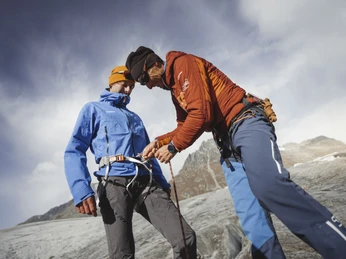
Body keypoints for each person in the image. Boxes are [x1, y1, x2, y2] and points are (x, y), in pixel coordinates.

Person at [125, 46, 346, 259]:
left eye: (144, 80)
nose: (148, 86)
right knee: (252, 218)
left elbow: (201, 114)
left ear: (154, 64)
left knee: (270, 185)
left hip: (245, 122)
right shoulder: (175, 91)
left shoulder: (184, 64)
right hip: (227, 145)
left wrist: (173, 147)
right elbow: (184, 124)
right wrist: (159, 142)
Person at [64, 66, 197, 259]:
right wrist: (80, 189)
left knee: (186, 238)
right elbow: (74, 149)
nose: (128, 90)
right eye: (124, 85)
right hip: (113, 183)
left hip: (146, 182)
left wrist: (161, 182)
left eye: (131, 87)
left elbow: (148, 153)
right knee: (122, 254)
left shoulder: (135, 118)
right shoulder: (93, 109)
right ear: (112, 83)